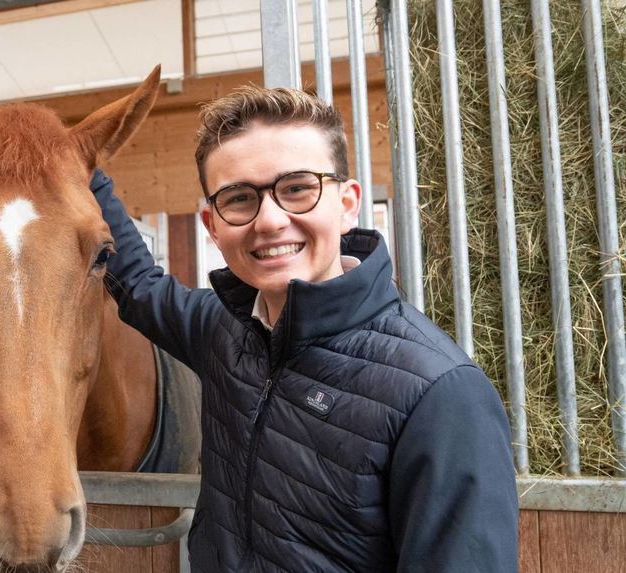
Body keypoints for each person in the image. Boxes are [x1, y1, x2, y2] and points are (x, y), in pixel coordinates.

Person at [89, 85, 518, 572]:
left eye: (297, 188)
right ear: (212, 224)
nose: (270, 220)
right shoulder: (224, 331)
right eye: (239, 198)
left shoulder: (441, 393)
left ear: (347, 202)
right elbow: (141, 288)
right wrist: (82, 167)